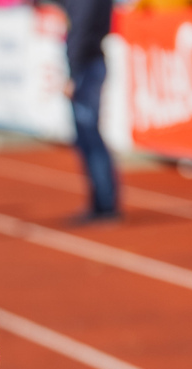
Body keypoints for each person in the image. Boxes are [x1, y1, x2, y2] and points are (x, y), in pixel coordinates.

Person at [61, 0, 120, 221]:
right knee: (89, 138)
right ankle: (101, 203)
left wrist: (73, 73)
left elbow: (81, 30)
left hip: (86, 67)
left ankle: (104, 205)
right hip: (91, 62)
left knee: (90, 138)